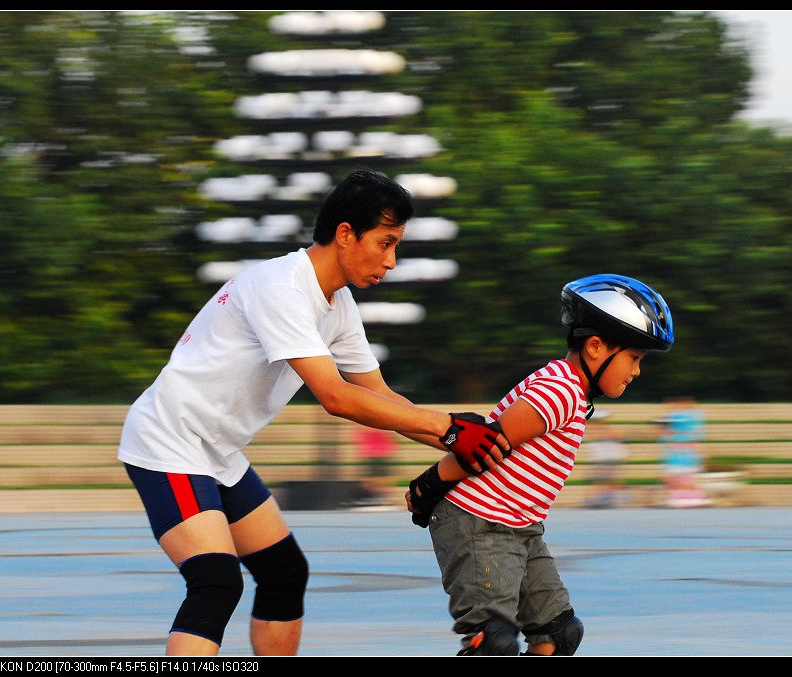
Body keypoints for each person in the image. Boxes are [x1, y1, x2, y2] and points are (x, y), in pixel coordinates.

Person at [117, 167, 510, 656]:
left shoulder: (337, 304)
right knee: (216, 582)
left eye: (397, 246)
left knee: (284, 573)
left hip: (216, 451)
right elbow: (336, 397)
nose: (391, 261)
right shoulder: (280, 288)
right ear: (345, 234)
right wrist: (448, 430)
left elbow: (382, 398)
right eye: (385, 243)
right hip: (168, 441)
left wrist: (487, 442)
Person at [405, 273, 674, 655]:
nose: (637, 370)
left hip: (520, 528)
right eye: (634, 357)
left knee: (558, 633)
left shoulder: (575, 394)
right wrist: (429, 485)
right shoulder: (560, 389)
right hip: (478, 521)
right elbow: (489, 444)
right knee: (493, 642)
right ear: (596, 347)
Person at [657, 396, 711, 508]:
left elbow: (696, 442)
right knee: (677, 480)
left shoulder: (688, 425)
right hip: (677, 460)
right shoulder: (672, 430)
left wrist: (702, 454)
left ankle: (692, 496)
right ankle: (680, 496)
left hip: (685, 460)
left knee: (685, 480)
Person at [580, 409, 631, 509]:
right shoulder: (592, 429)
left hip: (609, 457)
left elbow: (621, 437)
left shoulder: (605, 429)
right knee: (600, 477)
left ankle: (610, 496)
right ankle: (606, 496)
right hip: (601, 457)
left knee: (605, 477)